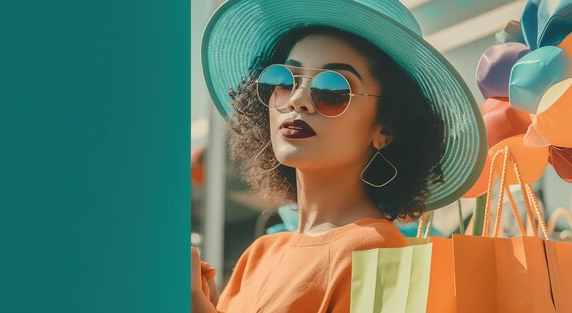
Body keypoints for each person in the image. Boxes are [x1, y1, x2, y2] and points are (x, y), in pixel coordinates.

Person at [193, 0, 487, 312]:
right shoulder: (259, 254)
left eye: (333, 90)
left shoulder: (380, 252)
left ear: (386, 128)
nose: (298, 100)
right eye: (282, 81)